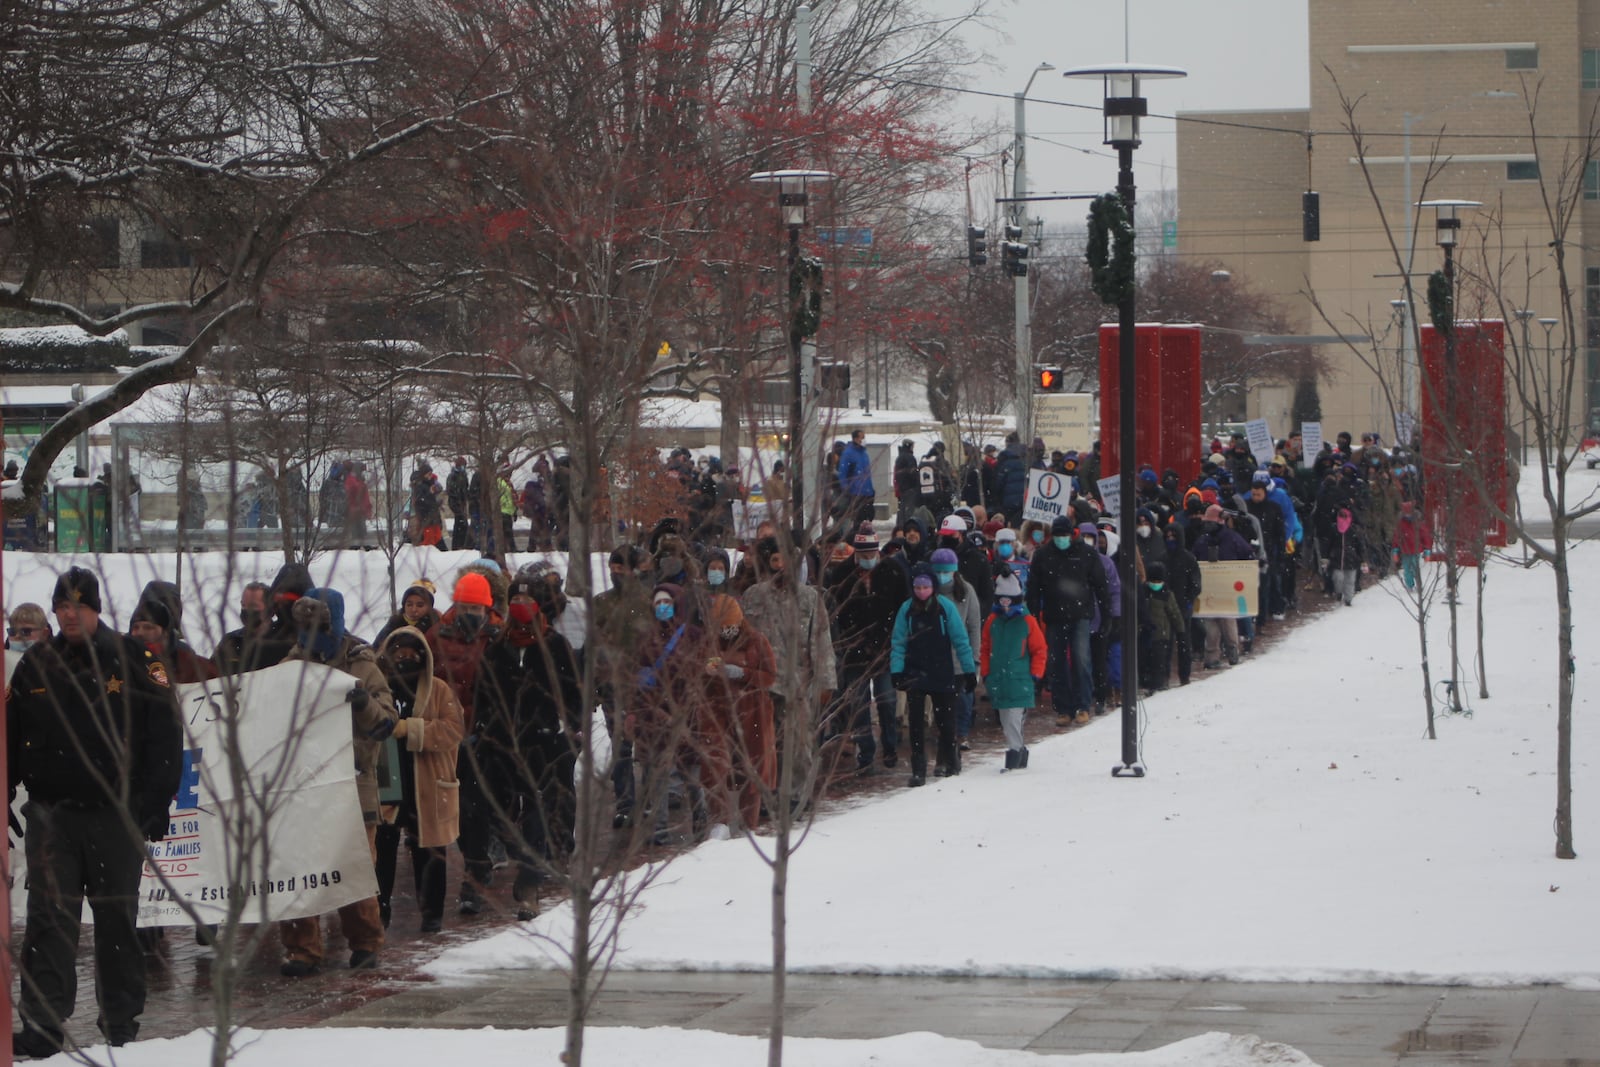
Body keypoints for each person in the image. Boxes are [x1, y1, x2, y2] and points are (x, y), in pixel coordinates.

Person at [8, 567, 182, 1056]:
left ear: (97, 609)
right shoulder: (36, 664)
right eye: (61, 606)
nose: (68, 614)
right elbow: (11, 733)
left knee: (115, 923)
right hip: (52, 816)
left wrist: (153, 804)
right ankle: (42, 1023)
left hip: (114, 814)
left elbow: (165, 737)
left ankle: (122, 1025)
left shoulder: (134, 661)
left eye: (78, 606)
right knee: (48, 921)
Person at [277, 587, 395, 976]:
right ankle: (302, 949)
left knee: (354, 869)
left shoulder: (364, 666)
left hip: (353, 784)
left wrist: (362, 704)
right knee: (298, 868)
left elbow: (386, 724)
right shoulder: (290, 667)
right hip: (304, 787)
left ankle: (364, 943)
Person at [475, 571, 582, 920]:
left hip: (545, 747)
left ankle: (530, 886)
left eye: (527, 601)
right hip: (502, 747)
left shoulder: (555, 646)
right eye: (515, 601)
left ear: (538, 607)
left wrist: (571, 729)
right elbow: (483, 697)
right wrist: (484, 730)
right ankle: (523, 860)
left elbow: (574, 694)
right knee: (500, 813)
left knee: (540, 812)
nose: (520, 607)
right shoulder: (496, 648)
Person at [372, 627, 463, 934]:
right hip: (388, 781)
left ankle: (432, 912)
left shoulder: (438, 689)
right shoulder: (379, 688)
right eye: (398, 654)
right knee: (382, 849)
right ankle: (379, 910)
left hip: (427, 780)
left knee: (431, 850)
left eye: (411, 655)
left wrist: (411, 730)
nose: (404, 660)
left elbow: (452, 730)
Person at [824, 522, 909, 773]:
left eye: (871, 554)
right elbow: (836, 614)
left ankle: (890, 746)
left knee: (887, 700)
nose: (867, 559)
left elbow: (902, 609)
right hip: (854, 650)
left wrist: (895, 640)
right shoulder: (841, 575)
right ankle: (866, 753)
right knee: (858, 704)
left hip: (884, 647)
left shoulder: (893, 570)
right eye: (863, 555)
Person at [890, 567, 977, 786]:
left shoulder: (945, 607)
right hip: (915, 671)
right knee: (916, 724)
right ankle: (918, 768)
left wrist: (969, 669)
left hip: (942, 670)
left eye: (926, 587)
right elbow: (899, 642)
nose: (921, 591)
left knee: (946, 721)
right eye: (918, 587)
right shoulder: (906, 609)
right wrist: (897, 670)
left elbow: (960, 639)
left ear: (933, 587)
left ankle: (950, 758)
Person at [699, 595, 777, 834]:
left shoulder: (757, 640)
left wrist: (742, 673)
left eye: (730, 626)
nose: (726, 631)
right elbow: (695, 672)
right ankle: (719, 822)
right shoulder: (709, 642)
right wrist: (707, 672)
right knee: (715, 766)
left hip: (753, 711)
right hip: (717, 710)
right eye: (722, 627)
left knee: (752, 768)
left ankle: (748, 825)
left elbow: (770, 676)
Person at [1025, 515, 1111, 728]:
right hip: (1054, 616)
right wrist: (1034, 614)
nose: (1061, 539)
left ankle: (1083, 705)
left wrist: (1106, 614)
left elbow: (1100, 585)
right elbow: (1034, 587)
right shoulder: (1043, 555)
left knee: (1082, 660)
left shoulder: (1087, 554)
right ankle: (1063, 708)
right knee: (1056, 663)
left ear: (1071, 534)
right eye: (1057, 535)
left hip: (1080, 615)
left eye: (1064, 535)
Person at [980, 571, 1046, 772]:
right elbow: (985, 648)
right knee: (1004, 717)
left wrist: (1036, 673)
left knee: (1013, 717)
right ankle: (1019, 750)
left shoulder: (1027, 622)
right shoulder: (993, 621)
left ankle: (1015, 752)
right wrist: (986, 672)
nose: (1006, 605)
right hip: (999, 679)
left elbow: (1039, 649)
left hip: (1020, 678)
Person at [129, 580, 218, 684]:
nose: (140, 633)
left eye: (148, 628)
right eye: (136, 628)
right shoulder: (119, 654)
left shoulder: (187, 662)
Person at [1137, 561, 1184, 694]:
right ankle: (1146, 682)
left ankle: (1158, 683)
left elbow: (1175, 613)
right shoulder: (1143, 592)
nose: (1156, 583)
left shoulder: (1167, 594)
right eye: (1153, 580)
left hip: (1162, 635)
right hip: (1145, 633)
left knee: (1160, 661)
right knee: (1145, 659)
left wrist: (1180, 629)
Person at [375, 579, 442, 646]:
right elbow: (377, 647)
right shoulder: (394, 622)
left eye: (420, 605)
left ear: (429, 608)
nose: (414, 609)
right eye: (409, 605)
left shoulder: (436, 625)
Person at [836, 428, 875, 526]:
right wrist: (847, 490)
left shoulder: (864, 454)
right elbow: (843, 473)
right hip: (855, 493)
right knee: (858, 521)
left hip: (866, 493)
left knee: (867, 520)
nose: (863, 440)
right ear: (855, 439)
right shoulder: (848, 454)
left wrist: (871, 490)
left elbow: (867, 474)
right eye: (862, 437)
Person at [1392, 499, 1432, 590]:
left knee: (1415, 568)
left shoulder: (1418, 523)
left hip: (1416, 550)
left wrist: (1427, 550)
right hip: (1405, 550)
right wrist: (1395, 549)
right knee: (1407, 569)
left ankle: (1418, 584)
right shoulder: (1401, 524)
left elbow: (1425, 537)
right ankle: (1409, 585)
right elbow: (1396, 537)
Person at [1328, 507, 1362, 606]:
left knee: (1350, 580)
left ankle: (1348, 599)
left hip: (1351, 558)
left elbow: (1359, 545)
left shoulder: (1353, 529)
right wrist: (1326, 556)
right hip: (1337, 558)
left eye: (1345, 516)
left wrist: (1362, 558)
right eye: (1341, 516)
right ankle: (1338, 592)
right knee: (1338, 577)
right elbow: (1329, 543)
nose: (1343, 519)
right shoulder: (1334, 529)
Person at [446, 456, 472, 551]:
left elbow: (465, 489)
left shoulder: (463, 475)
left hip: (462, 502)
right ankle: (457, 545)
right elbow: (451, 490)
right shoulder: (453, 476)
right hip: (456, 503)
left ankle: (461, 544)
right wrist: (457, 500)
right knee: (460, 523)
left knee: (462, 523)